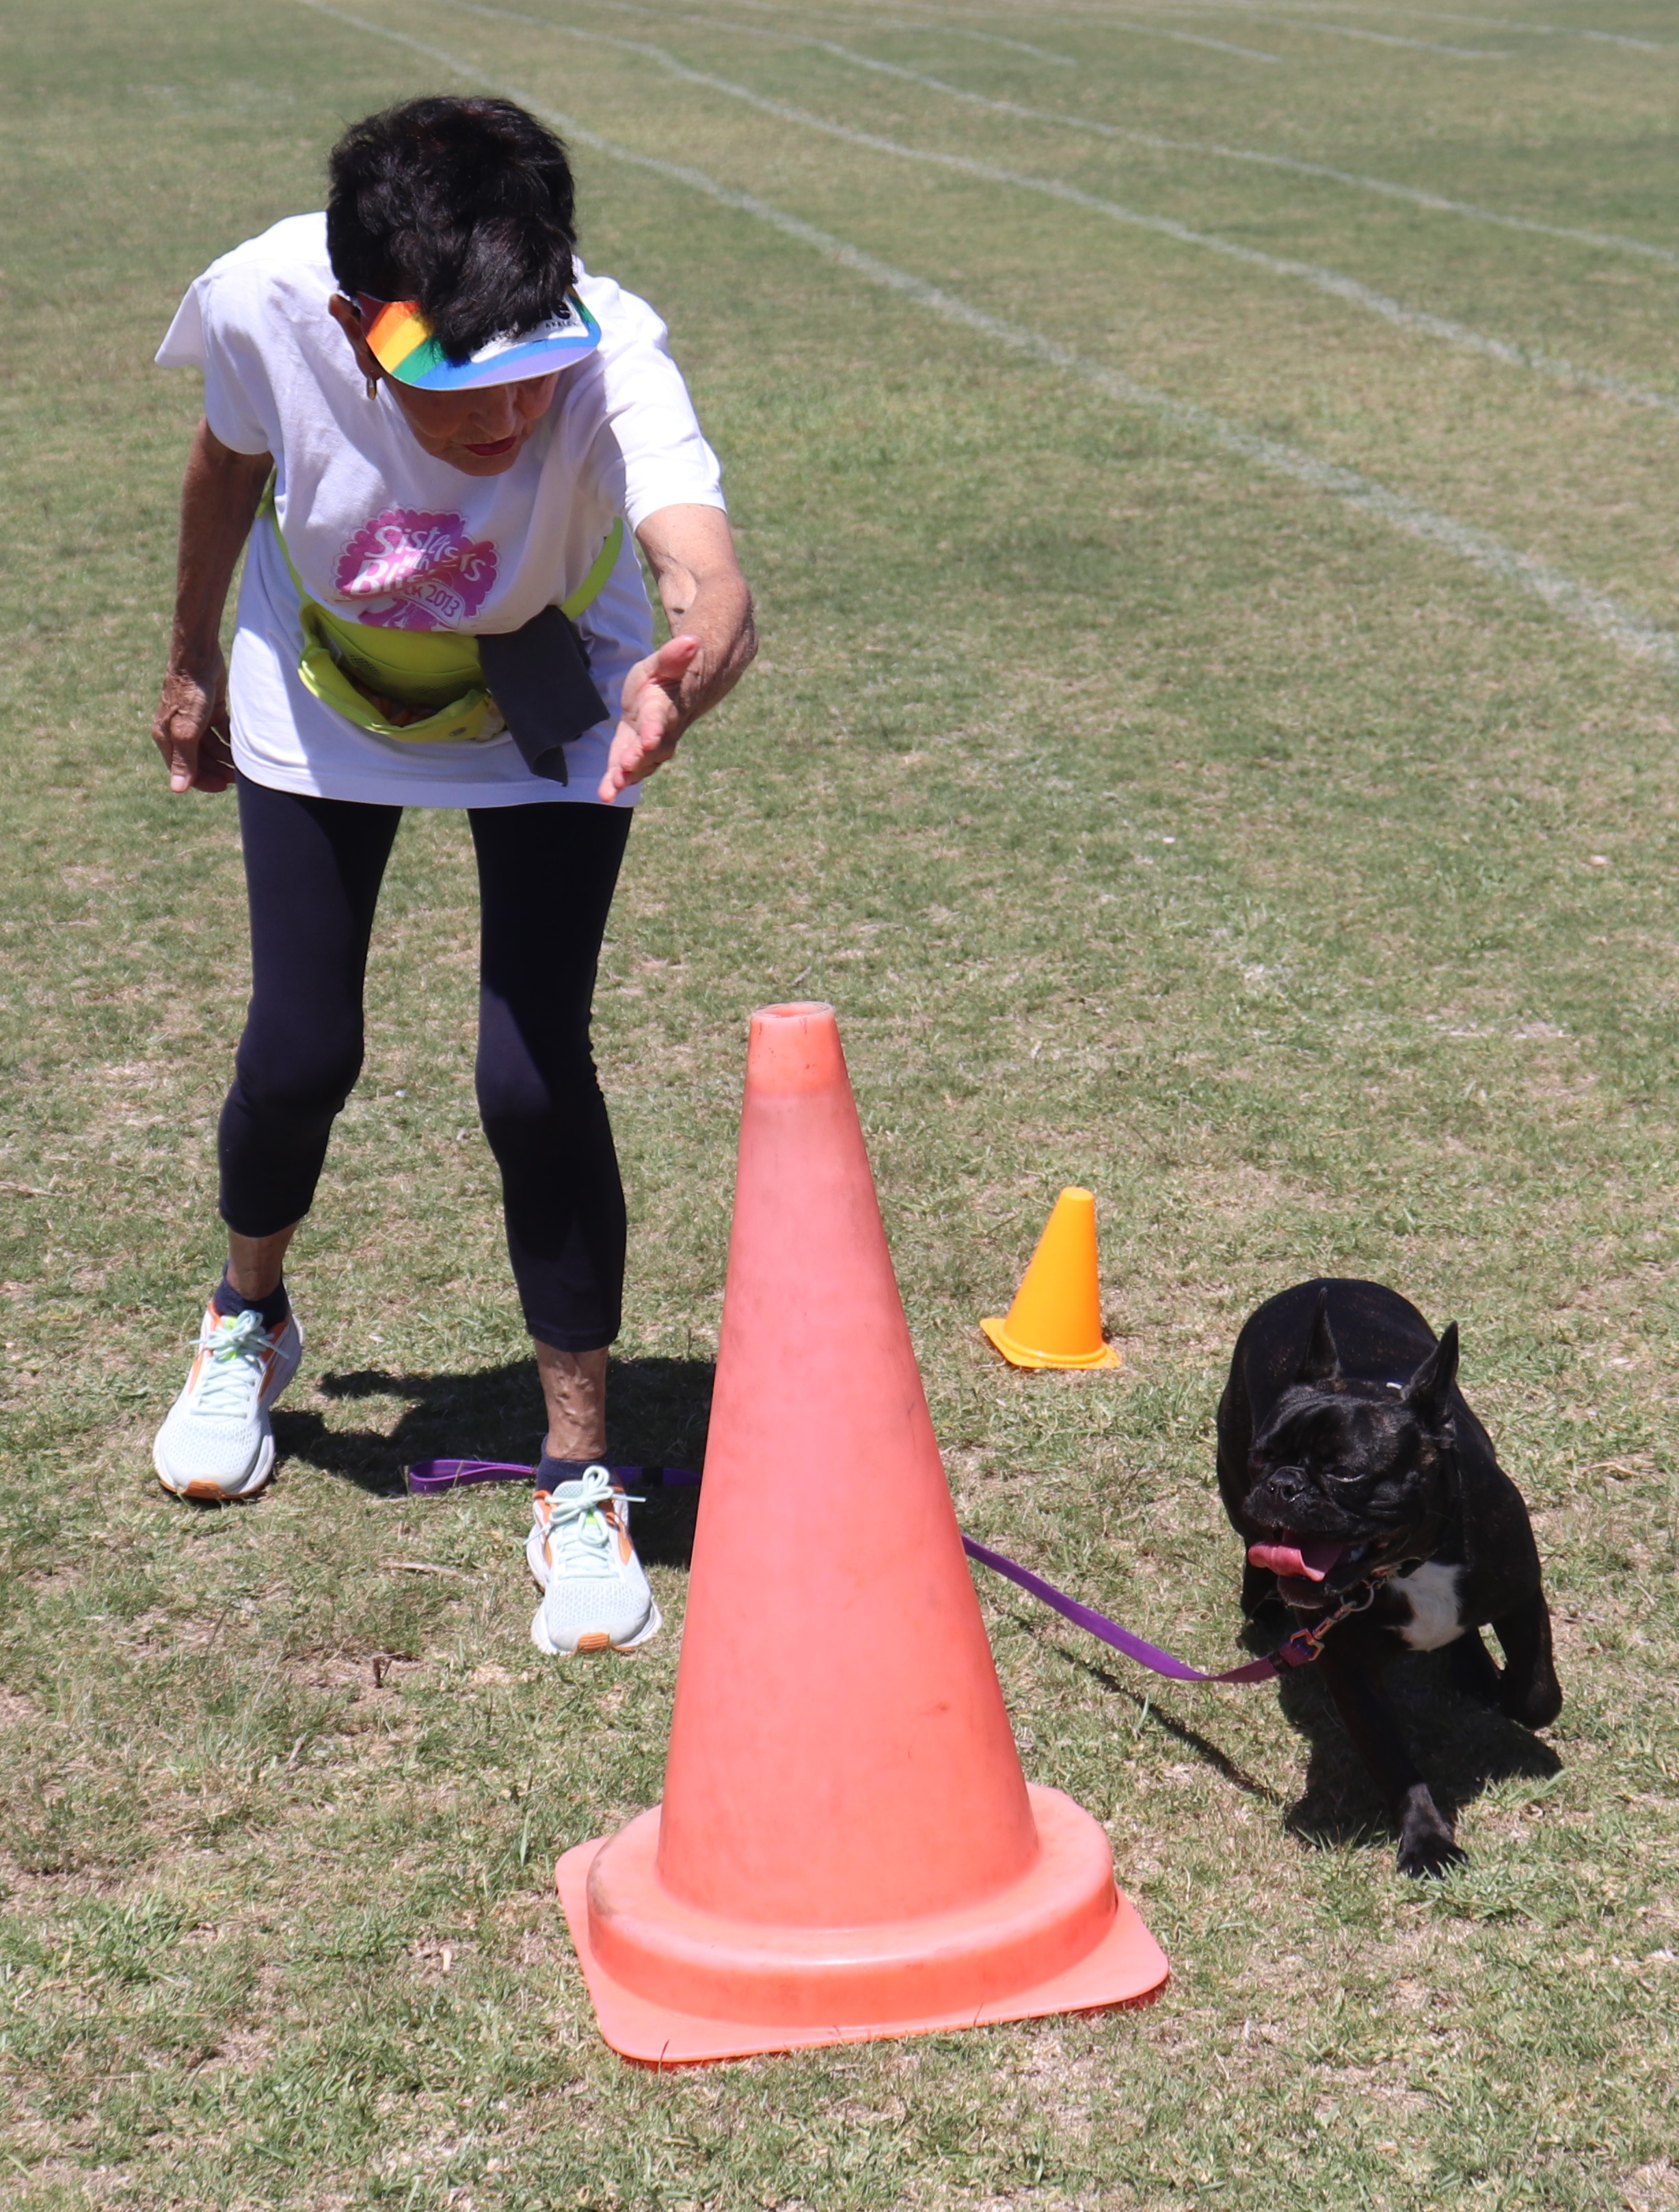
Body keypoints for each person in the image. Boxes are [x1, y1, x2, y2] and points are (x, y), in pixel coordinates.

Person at [148, 96, 755, 1652]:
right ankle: (246, 1317)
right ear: (363, 326)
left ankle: (577, 1470)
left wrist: (691, 657)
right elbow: (227, 463)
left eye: (530, 380)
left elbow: (702, 558)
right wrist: (191, 656)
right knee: (300, 1052)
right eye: (460, 390)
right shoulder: (263, 301)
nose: (508, 422)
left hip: (552, 682)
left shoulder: (610, 345)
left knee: (532, 1072)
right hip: (323, 685)